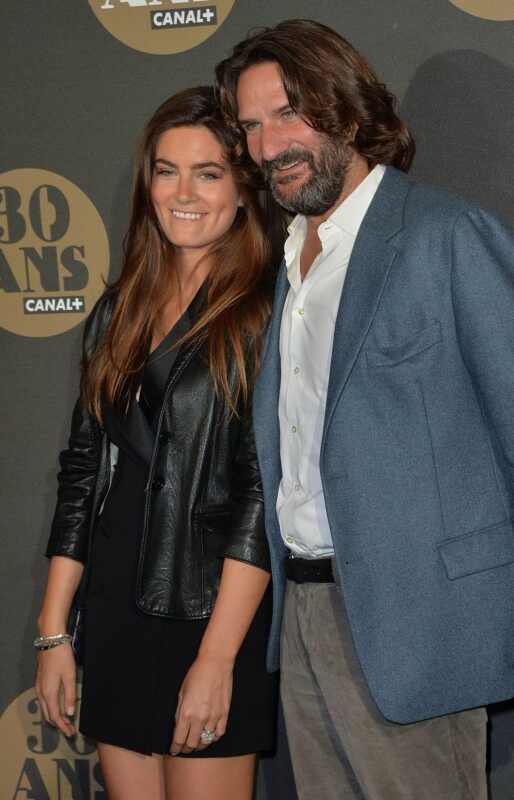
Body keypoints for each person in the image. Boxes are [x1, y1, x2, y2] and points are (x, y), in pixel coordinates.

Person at [215, 19, 514, 799]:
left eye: (288, 113)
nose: (267, 143)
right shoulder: (288, 262)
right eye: (249, 125)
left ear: (348, 113)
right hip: (306, 617)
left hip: (420, 623)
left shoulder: (450, 237)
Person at [35, 86, 286, 800]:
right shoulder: (119, 308)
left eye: (208, 172)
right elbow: (83, 471)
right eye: (166, 169)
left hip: (212, 613)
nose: (184, 192)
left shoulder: (266, 312)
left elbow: (258, 500)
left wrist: (216, 660)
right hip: (115, 610)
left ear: (242, 189)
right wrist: (55, 631)